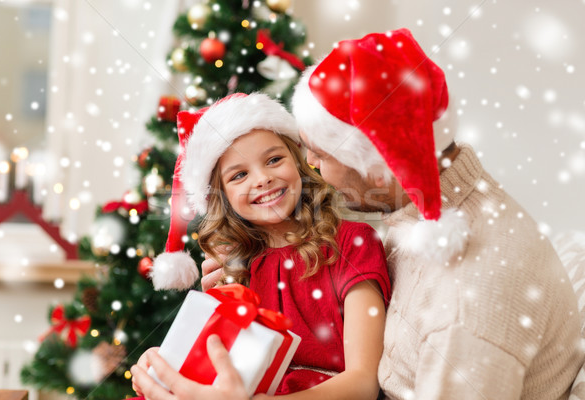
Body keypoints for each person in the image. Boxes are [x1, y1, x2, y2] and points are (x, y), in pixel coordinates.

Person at [200, 29, 585, 399]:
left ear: (375, 162)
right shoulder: (423, 220)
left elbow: (362, 379)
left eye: (321, 154)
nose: (311, 166)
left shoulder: (464, 313)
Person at [130, 93, 391, 399]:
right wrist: (163, 363)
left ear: (298, 161)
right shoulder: (231, 266)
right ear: (222, 197)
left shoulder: (352, 242)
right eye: (239, 175)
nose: (263, 178)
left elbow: (363, 383)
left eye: (274, 160)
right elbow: (219, 369)